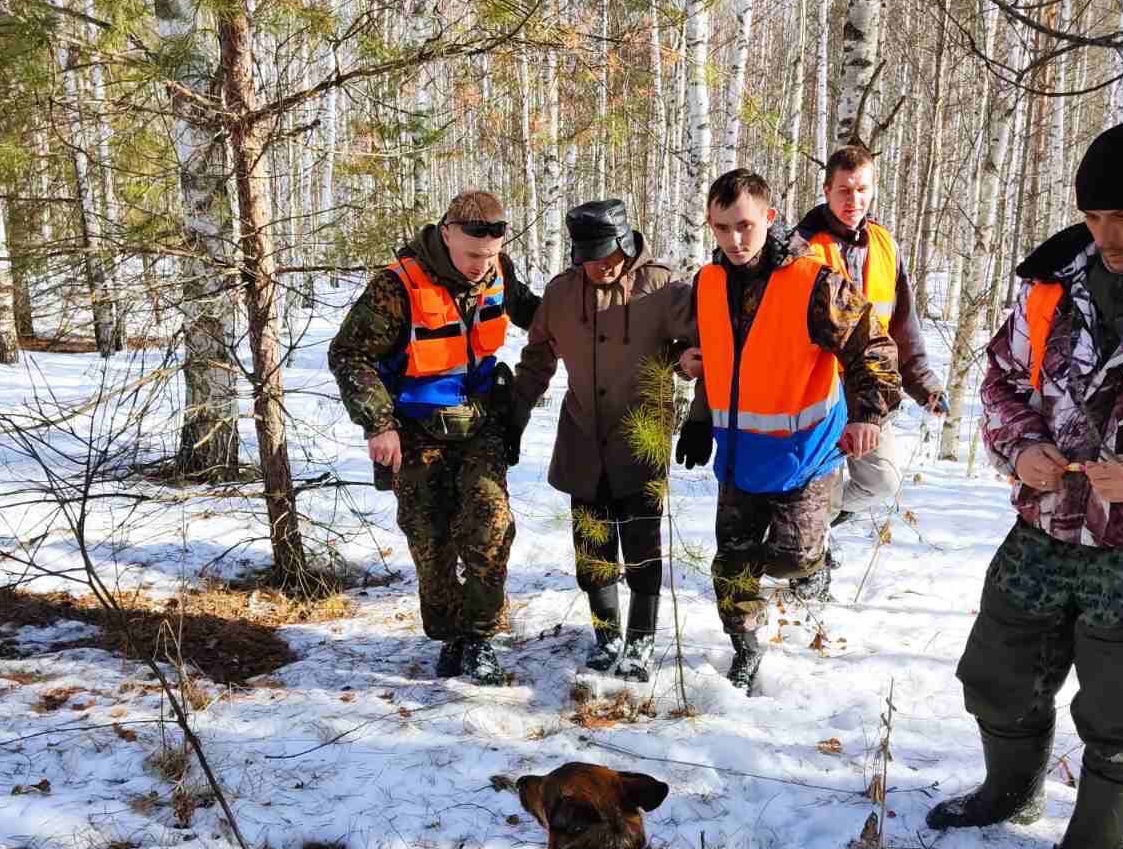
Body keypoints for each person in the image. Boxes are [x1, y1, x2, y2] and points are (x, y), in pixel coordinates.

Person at [926, 121, 1123, 849]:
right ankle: (1009, 790)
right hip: (1047, 521)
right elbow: (999, 380)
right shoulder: (1053, 284)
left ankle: (1093, 845)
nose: (1107, 236)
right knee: (997, 669)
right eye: (1095, 219)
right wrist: (1020, 446)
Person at [674, 168, 901, 690]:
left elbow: (873, 346)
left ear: (769, 219)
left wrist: (869, 414)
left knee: (792, 558)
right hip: (738, 455)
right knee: (731, 563)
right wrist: (698, 410)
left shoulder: (813, 281)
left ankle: (815, 560)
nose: (735, 239)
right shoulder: (708, 284)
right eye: (723, 227)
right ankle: (746, 646)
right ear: (710, 225)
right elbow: (720, 358)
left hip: (807, 451)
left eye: (746, 226)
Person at [329, 191, 540, 685]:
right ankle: (451, 636)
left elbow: (541, 316)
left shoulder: (498, 271)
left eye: (489, 256)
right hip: (415, 431)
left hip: (481, 424)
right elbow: (349, 355)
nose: (480, 267)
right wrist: (378, 424)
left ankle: (481, 638)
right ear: (446, 233)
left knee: (490, 524)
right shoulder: (396, 285)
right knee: (432, 540)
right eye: (471, 256)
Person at [512, 200, 694, 681]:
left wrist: (684, 370)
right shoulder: (561, 294)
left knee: (641, 547)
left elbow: (701, 343)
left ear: (626, 243)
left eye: (609, 254)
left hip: (640, 437)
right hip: (582, 437)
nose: (602, 265)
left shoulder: (662, 286)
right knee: (592, 550)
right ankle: (605, 635)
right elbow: (537, 359)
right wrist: (513, 417)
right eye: (590, 257)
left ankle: (640, 640)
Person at [796, 144, 948, 532]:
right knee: (818, 489)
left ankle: (817, 525)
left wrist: (924, 384)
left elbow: (902, 325)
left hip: (872, 393)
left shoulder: (884, 245)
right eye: (845, 190)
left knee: (882, 482)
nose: (855, 199)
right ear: (827, 189)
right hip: (817, 396)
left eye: (862, 189)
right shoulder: (802, 248)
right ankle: (809, 563)